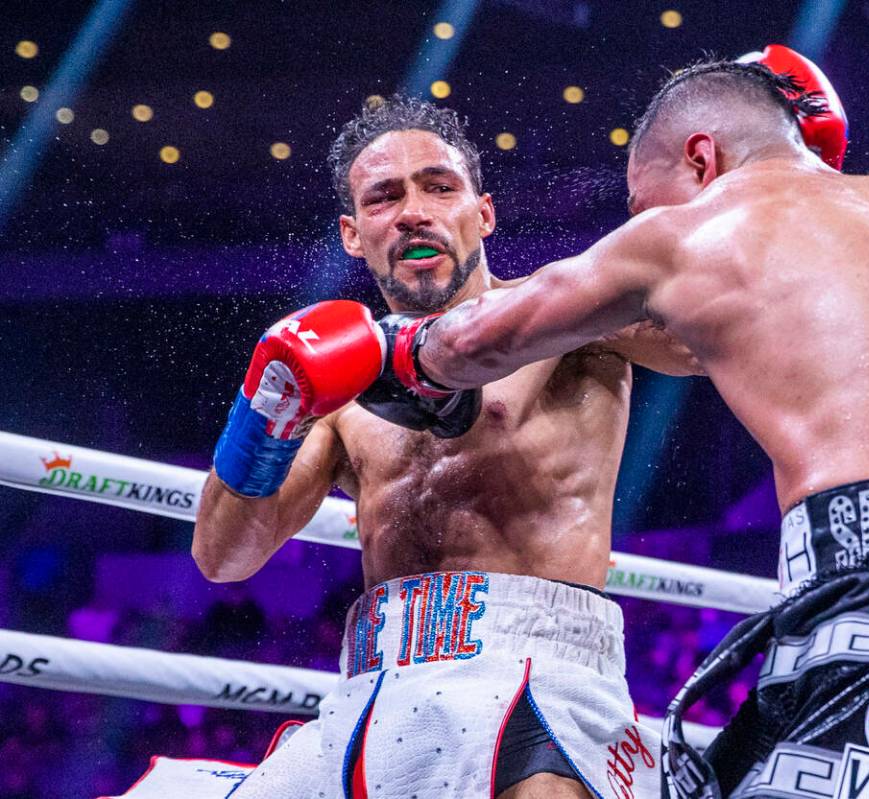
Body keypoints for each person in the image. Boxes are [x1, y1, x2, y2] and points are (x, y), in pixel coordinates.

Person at [377, 45, 869, 798]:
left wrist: (366, 354)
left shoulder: (690, 232)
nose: (641, 220)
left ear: (701, 160)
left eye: (641, 202)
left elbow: (466, 343)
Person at [193, 95, 701, 799]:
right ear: (352, 232)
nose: (413, 212)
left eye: (439, 187)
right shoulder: (339, 389)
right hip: (372, 691)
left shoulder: (565, 316)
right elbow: (225, 555)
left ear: (483, 212)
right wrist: (267, 406)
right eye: (384, 197)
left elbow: (707, 340)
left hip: (538, 679)